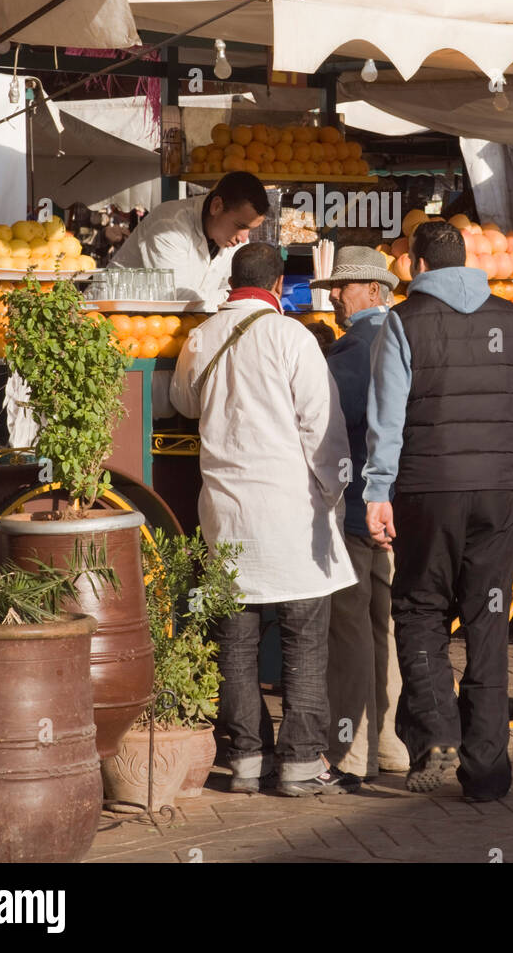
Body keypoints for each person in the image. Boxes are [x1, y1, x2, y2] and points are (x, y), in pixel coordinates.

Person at [363, 220, 513, 803]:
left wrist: (377, 492)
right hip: (494, 491)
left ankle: (436, 734)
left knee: (418, 609)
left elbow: (385, 419)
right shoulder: (510, 319)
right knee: (487, 621)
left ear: (415, 266)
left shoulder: (402, 321)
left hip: (425, 493)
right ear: (468, 263)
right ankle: (487, 773)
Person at [169, 241, 359, 797]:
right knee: (304, 643)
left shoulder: (201, 336)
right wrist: (334, 493)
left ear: (233, 283)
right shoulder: (293, 337)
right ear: (278, 285)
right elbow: (322, 430)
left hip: (226, 517)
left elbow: (182, 401)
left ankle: (247, 760)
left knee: (236, 643)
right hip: (293, 518)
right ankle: (301, 765)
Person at [309, 248, 411, 784]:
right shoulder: (402, 339)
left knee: (350, 631)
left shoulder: (353, 352)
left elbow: (326, 423)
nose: (331, 295)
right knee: (387, 628)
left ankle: (349, 753)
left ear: (373, 291)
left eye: (341, 286)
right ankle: (391, 745)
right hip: (399, 511)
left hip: (355, 513)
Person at [110, 170, 269, 306]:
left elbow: (239, 292)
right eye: (240, 226)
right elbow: (177, 298)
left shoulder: (236, 241)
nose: (244, 238)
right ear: (216, 206)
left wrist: (230, 298)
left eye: (249, 229)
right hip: (113, 323)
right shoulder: (169, 224)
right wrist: (228, 298)